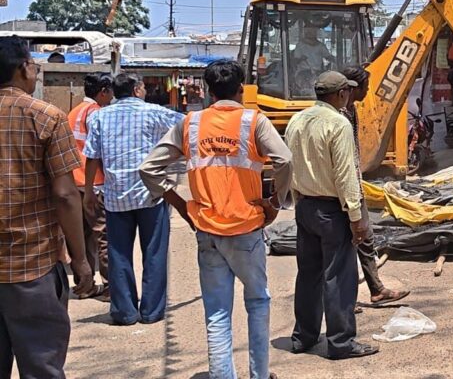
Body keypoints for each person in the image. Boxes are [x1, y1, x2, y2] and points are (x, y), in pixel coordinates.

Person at [140, 60, 292, 379]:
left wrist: (182, 206)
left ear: (209, 91)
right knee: (257, 302)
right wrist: (275, 203)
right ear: (241, 89)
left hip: (207, 230)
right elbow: (285, 160)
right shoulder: (253, 121)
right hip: (246, 227)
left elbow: (148, 168)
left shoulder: (191, 123)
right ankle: (259, 375)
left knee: (217, 312)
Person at [0, 36, 95, 378]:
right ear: (23, 68)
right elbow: (66, 195)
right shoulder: (46, 118)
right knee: (42, 368)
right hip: (31, 265)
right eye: (34, 65)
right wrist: (80, 260)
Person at [286, 71, 378, 360]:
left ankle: (303, 336)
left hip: (305, 206)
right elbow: (345, 174)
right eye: (347, 91)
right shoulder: (338, 123)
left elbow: (288, 164)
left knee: (308, 275)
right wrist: (356, 217)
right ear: (341, 94)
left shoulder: (297, 120)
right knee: (338, 277)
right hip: (331, 210)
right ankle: (341, 342)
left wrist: (297, 199)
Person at [83, 73, 183, 326]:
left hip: (115, 197)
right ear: (137, 89)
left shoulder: (100, 116)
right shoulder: (154, 112)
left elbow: (92, 157)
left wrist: (89, 191)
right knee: (154, 253)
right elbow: (188, 126)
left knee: (118, 255)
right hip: (151, 194)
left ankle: (124, 312)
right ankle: (151, 311)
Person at [340, 66, 410, 306]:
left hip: (354, 183)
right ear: (354, 87)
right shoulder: (339, 116)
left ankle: (375, 289)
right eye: (366, 87)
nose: (368, 91)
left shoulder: (351, 110)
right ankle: (345, 301)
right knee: (349, 242)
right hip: (344, 188)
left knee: (365, 237)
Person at [68, 72, 115, 300]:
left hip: (74, 182)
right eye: (111, 91)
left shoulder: (74, 112)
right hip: (94, 183)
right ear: (103, 91)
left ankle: (84, 285)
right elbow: (101, 151)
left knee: (81, 235)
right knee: (103, 235)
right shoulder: (96, 113)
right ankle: (110, 287)